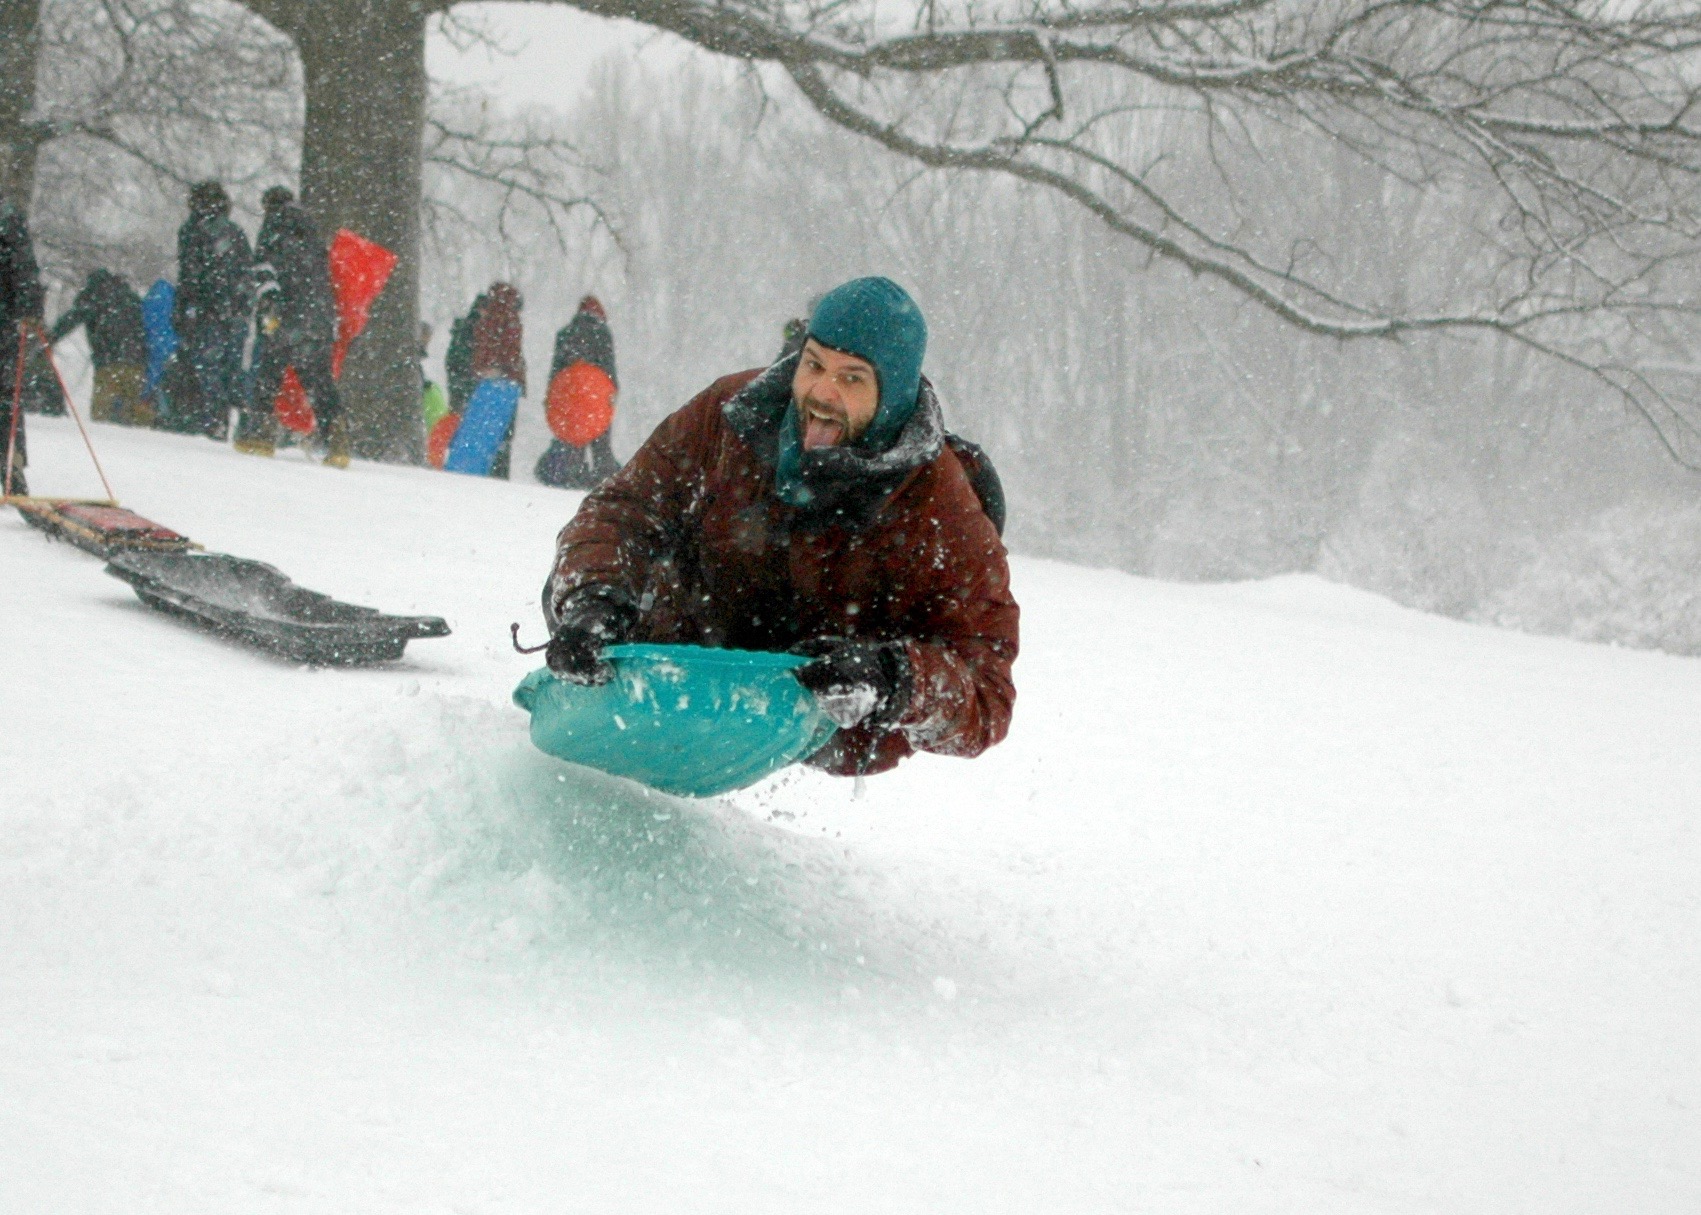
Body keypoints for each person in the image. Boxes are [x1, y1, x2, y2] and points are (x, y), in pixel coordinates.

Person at [542, 276, 1018, 778]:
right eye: (814, 365)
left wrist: (894, 678)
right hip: (681, 662)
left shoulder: (940, 504)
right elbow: (625, 507)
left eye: (852, 379)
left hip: (816, 717)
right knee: (590, 581)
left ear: (893, 396)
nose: (822, 393)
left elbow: (986, 689)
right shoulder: (731, 413)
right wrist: (593, 600)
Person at [238, 187, 344, 465]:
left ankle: (259, 435)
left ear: (268, 205)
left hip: (287, 313)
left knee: (269, 371)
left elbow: (264, 268)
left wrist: (270, 303)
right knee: (319, 380)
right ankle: (338, 439)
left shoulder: (273, 226)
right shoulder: (312, 232)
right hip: (320, 316)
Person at [172, 181, 252, 439]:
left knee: (208, 368)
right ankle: (234, 421)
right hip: (236, 311)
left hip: (207, 310)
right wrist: (241, 305)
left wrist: (184, 309)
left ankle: (210, 421)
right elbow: (245, 272)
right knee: (232, 367)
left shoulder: (192, 231)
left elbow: (189, 275)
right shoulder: (236, 232)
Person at [535, 294, 622, 489]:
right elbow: (609, 368)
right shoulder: (602, 333)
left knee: (573, 436)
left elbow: (556, 371)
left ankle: (573, 476)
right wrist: (612, 392)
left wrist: (551, 397)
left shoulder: (564, 333)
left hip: (570, 395)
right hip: (596, 396)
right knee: (600, 438)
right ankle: (604, 478)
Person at [48, 269, 151, 427]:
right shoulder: (131, 297)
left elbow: (72, 319)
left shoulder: (94, 297)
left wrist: (49, 338)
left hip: (108, 362)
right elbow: (144, 328)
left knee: (101, 412)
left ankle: (104, 441)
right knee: (132, 412)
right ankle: (136, 444)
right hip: (136, 362)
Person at [0, 194, 44, 495]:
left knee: (6, 394)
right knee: (6, 395)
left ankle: (11, 464)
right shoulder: (9, 216)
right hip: (5, 320)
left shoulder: (8, 218)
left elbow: (24, 269)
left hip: (4, 320)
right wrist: (29, 309)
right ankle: (11, 464)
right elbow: (25, 269)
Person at [469, 282, 524, 479]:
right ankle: (499, 473)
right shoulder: (509, 319)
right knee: (504, 433)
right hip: (505, 381)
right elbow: (512, 353)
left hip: (486, 379)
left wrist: (481, 368)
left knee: (486, 431)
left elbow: (481, 349)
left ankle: (486, 469)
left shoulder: (486, 319)